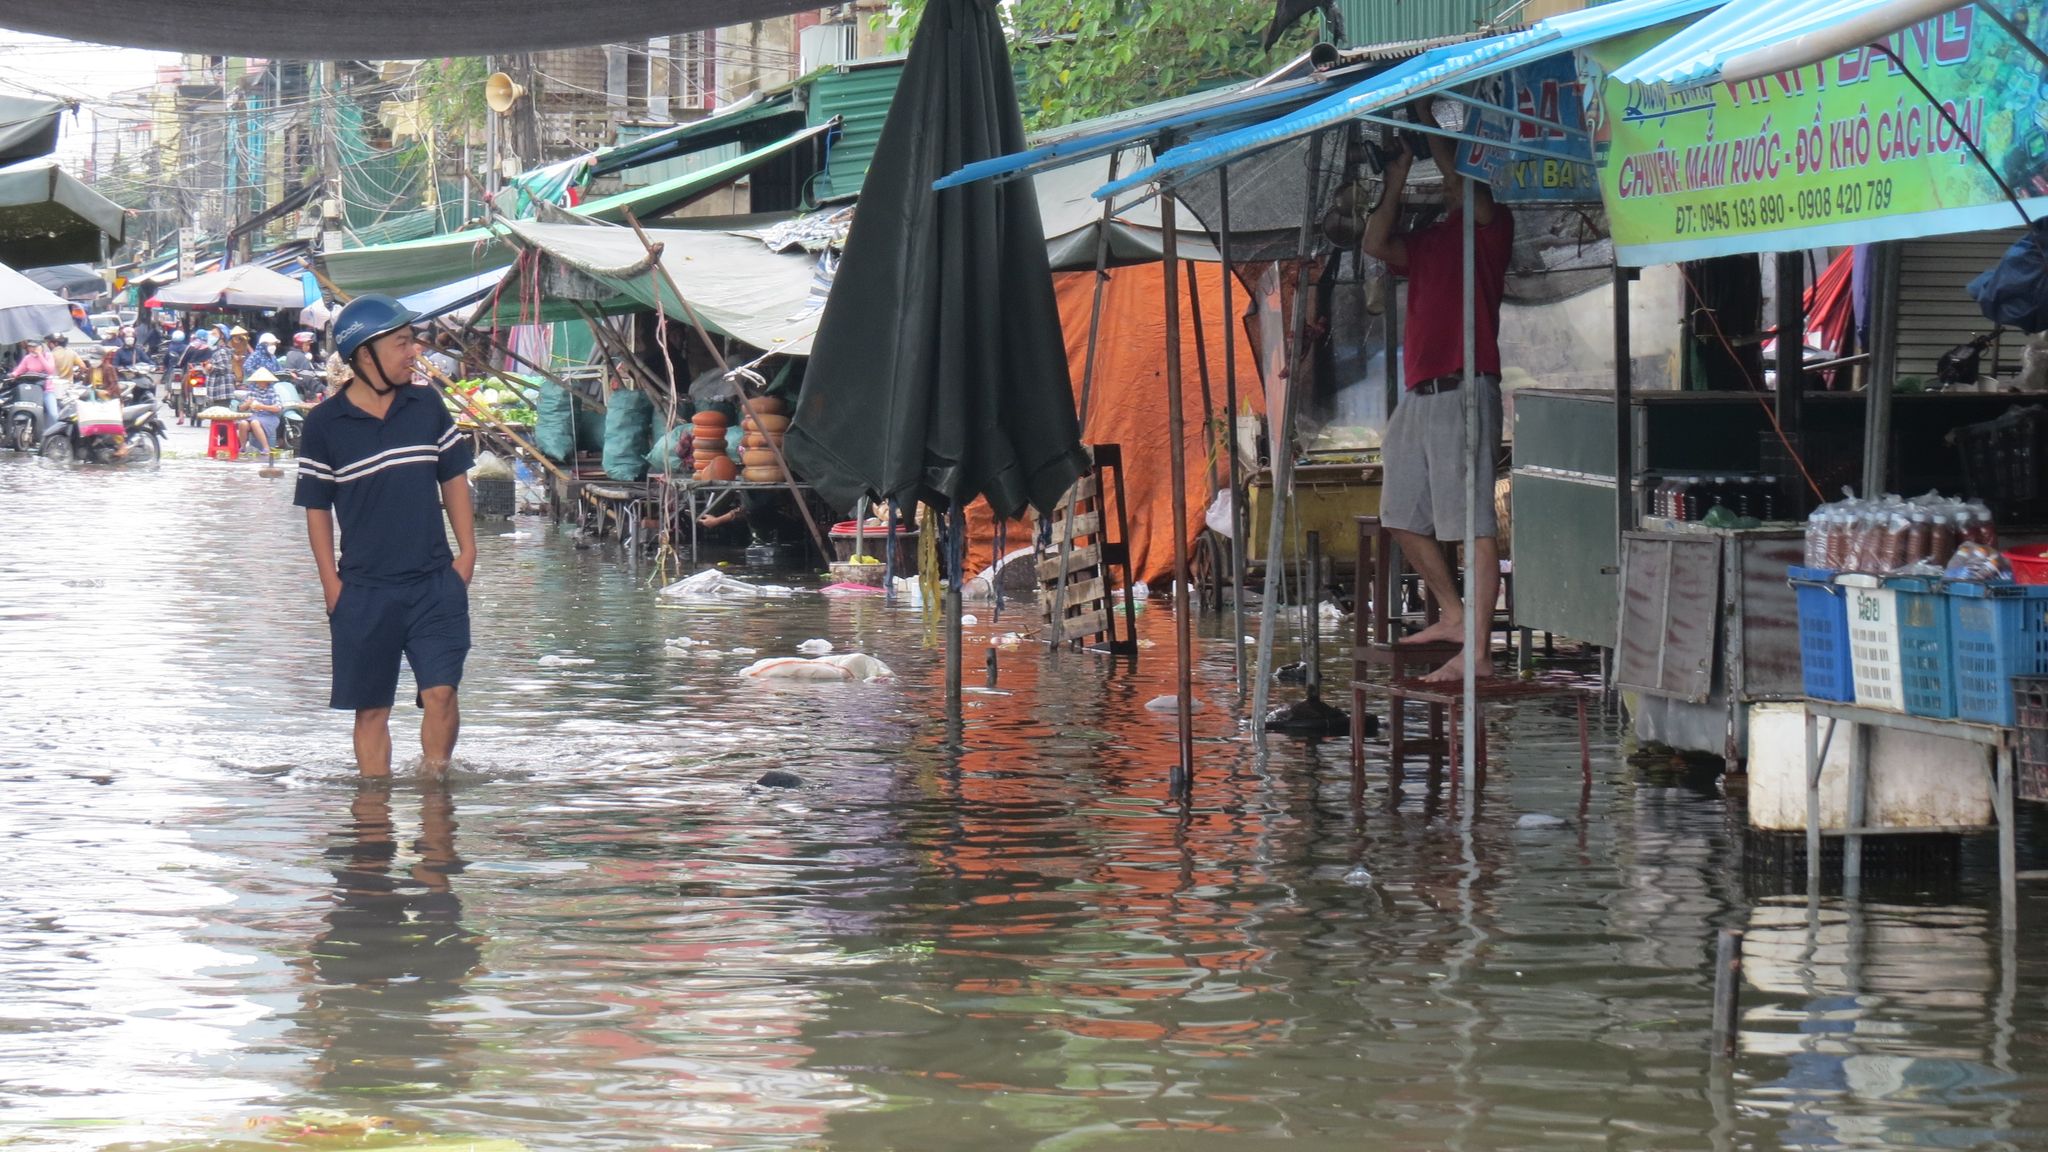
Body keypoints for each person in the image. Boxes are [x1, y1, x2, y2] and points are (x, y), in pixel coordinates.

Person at [295, 293, 476, 778]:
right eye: (401, 343)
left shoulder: (426, 405)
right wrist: (331, 585)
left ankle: (436, 795)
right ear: (365, 354)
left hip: (435, 583)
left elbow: (454, 478)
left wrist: (467, 555)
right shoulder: (323, 425)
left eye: (411, 342)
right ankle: (373, 816)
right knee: (372, 709)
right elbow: (316, 509)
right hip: (364, 591)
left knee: (441, 693)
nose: (413, 352)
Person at [1362, 114, 1515, 683]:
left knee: (1472, 523)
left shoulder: (1492, 226)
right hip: (1419, 394)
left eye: (1456, 179)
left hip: (1463, 384)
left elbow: (1464, 186)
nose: (1450, 187)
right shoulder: (1427, 241)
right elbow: (1375, 240)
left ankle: (1475, 652)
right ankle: (1454, 615)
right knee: (1399, 512)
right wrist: (1396, 176)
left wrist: (1428, 123)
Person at [242, 366, 285, 460]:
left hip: (270, 417)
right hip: (255, 415)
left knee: (255, 423)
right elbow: (241, 408)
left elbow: (278, 408)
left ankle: (266, 448)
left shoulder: (272, 391)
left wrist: (262, 406)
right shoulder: (252, 391)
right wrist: (247, 404)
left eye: (262, 380)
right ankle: (243, 447)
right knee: (243, 423)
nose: (260, 383)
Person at [207, 327, 251, 408]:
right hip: (220, 390)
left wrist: (211, 367)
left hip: (222, 390)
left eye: (214, 334)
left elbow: (225, 368)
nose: (211, 336)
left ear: (222, 336)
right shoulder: (219, 350)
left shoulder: (222, 351)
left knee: (221, 414)